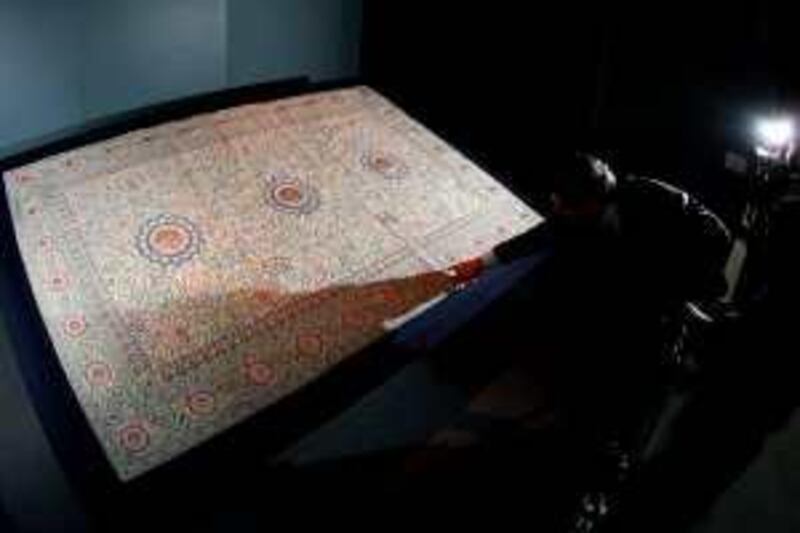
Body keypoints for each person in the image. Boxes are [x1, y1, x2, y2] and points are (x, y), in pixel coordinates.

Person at [446, 152, 732, 450]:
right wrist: (482, 263)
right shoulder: (588, 204)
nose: (558, 209)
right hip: (648, 264)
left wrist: (660, 292)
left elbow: (713, 240)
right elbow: (544, 233)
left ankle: (681, 343)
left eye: (565, 206)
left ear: (590, 202)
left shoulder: (648, 205)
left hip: (693, 263)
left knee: (632, 318)